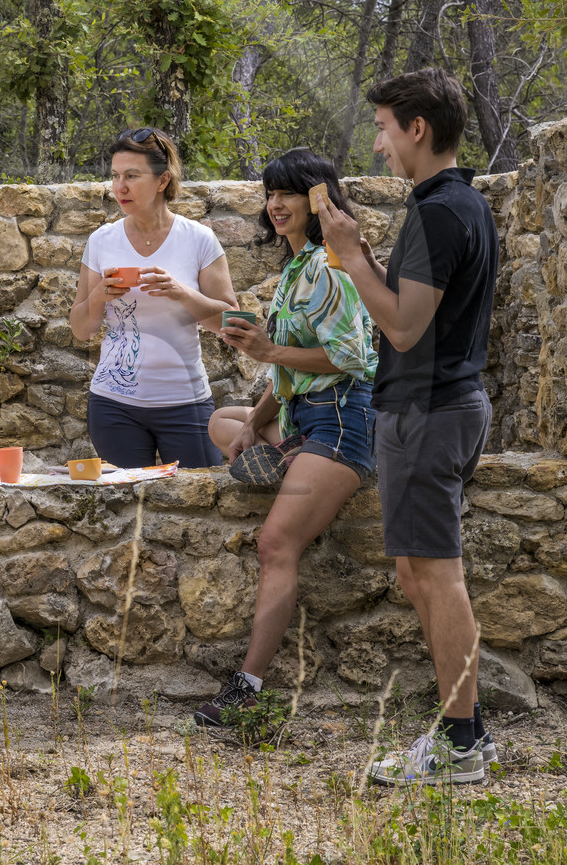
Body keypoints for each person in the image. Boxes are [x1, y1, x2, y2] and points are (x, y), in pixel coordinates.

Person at [319, 68, 500, 785]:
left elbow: (399, 326)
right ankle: (467, 733)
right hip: (437, 407)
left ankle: (461, 743)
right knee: (416, 572)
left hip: (429, 412)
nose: (378, 142)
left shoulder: (438, 212)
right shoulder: (466, 205)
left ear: (416, 129)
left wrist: (348, 253)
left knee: (438, 574)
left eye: (384, 127)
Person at [193, 149, 378, 727]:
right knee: (224, 421)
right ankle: (282, 449)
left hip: (343, 422)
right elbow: (287, 374)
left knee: (275, 544)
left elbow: (351, 359)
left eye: (289, 193)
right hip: (304, 415)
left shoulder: (328, 265)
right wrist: (254, 421)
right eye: (270, 193)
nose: (275, 204)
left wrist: (269, 350)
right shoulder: (296, 270)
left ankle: (247, 686)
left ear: (319, 201)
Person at [69, 127, 236, 468]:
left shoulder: (199, 240)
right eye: (115, 176)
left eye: (132, 176)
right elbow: (81, 329)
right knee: (127, 511)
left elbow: (231, 321)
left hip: (185, 402)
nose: (120, 187)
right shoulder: (101, 241)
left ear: (162, 181)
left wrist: (182, 292)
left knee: (197, 507)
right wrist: (99, 295)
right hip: (113, 406)